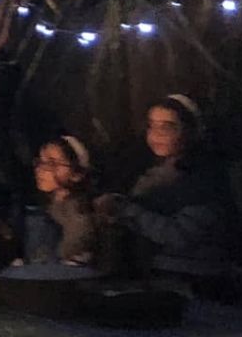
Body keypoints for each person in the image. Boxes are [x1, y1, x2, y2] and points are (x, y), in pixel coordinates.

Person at [96, 94, 233, 268]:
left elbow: (180, 236)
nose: (157, 135)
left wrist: (127, 210)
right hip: (152, 266)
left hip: (193, 269)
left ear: (190, 131)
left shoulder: (205, 177)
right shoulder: (147, 171)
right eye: (152, 126)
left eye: (167, 127)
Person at [26, 135, 98, 266]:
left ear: (77, 174)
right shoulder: (42, 207)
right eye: (40, 162)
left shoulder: (79, 216)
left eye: (52, 163)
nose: (40, 169)